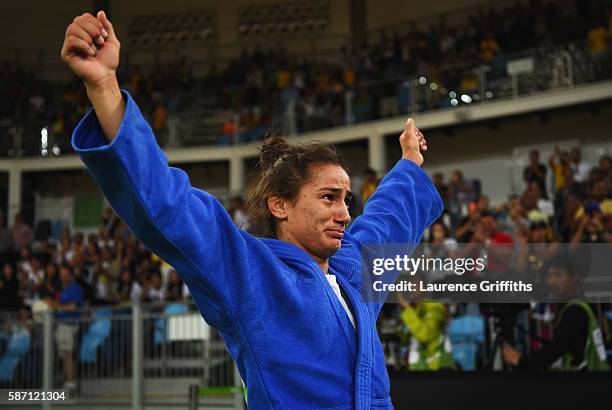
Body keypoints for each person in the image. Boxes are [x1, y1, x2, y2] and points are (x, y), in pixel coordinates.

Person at [61, 11, 442, 408]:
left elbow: (388, 220)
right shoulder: (251, 273)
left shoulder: (351, 271)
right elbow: (169, 206)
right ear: (279, 205)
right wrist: (105, 86)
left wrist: (410, 164)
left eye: (346, 199)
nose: (345, 213)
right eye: (328, 197)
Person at [503, 254, 609, 371]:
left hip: (588, 382)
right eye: (549, 276)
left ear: (574, 278)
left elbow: (555, 349)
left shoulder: (576, 311)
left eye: (559, 275)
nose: (552, 281)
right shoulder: (577, 305)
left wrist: (521, 361)